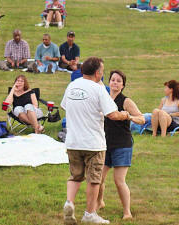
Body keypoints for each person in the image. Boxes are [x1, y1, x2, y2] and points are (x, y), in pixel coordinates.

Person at [61, 57, 131, 225]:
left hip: (72, 141)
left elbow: (65, 106)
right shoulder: (98, 89)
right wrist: (126, 115)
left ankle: (69, 202)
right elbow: (113, 114)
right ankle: (90, 213)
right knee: (94, 179)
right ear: (97, 72)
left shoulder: (72, 86)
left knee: (75, 176)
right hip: (93, 143)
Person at [97, 70, 145, 220]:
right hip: (104, 144)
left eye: (118, 81)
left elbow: (142, 119)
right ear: (109, 82)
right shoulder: (104, 98)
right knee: (98, 178)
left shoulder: (126, 101)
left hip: (122, 145)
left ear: (123, 85)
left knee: (119, 181)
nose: (115, 83)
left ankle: (127, 212)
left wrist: (128, 116)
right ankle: (99, 202)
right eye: (113, 80)